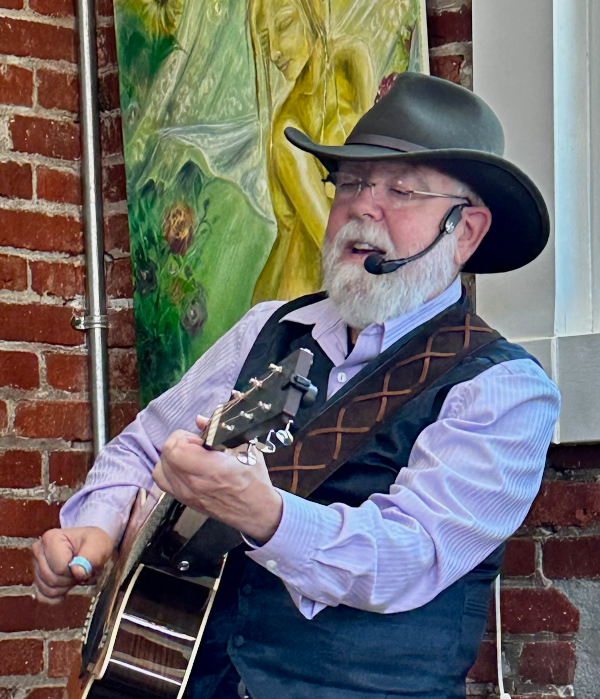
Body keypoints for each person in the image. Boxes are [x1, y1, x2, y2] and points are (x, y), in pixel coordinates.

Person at [32, 73, 560, 699]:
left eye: (400, 189)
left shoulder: (505, 389)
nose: (365, 205)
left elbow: (410, 555)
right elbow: (144, 447)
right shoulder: (271, 327)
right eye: (354, 183)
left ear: (465, 231)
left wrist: (266, 515)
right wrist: (99, 525)